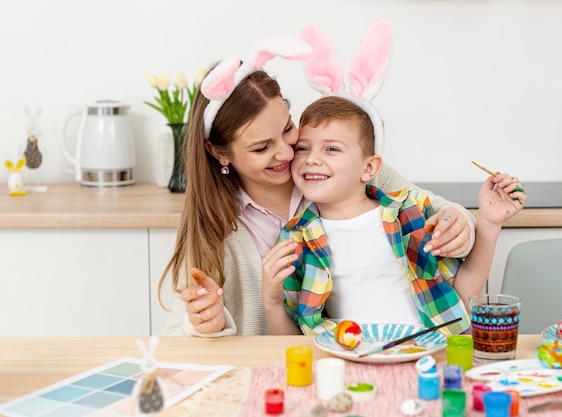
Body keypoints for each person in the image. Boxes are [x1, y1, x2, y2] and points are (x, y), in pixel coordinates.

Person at [159, 33, 477, 337]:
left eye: (287, 129)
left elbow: (439, 209)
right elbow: (175, 335)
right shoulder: (215, 226)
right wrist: (206, 324)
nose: (286, 153)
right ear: (219, 152)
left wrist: (459, 224)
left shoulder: (349, 173)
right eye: (261, 148)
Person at [261, 95, 526, 336]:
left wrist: (489, 224)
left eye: (331, 149)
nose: (312, 159)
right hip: (354, 362)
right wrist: (271, 302)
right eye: (303, 148)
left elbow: (463, 298)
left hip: (431, 356)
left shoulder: (410, 212)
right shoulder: (295, 238)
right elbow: (295, 342)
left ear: (369, 168)